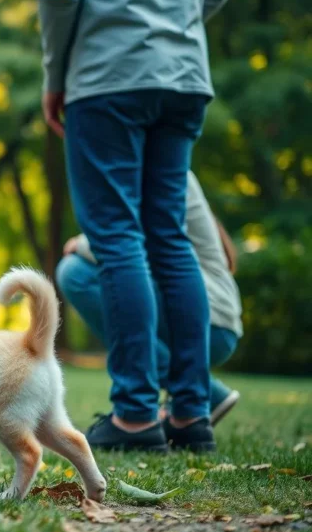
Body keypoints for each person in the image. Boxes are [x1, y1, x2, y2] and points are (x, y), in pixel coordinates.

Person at [36, 0, 228, 451]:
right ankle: (190, 414)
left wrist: (56, 73)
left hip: (108, 73)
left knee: (118, 238)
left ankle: (137, 416)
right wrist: (172, 31)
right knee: (169, 237)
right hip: (184, 75)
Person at [57, 171, 244, 425]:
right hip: (217, 324)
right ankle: (189, 396)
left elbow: (127, 248)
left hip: (211, 324)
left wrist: (82, 244)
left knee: (75, 273)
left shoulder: (148, 170)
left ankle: (193, 393)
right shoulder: (163, 162)